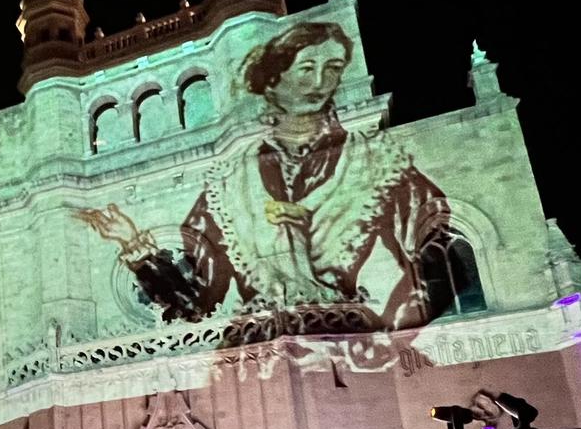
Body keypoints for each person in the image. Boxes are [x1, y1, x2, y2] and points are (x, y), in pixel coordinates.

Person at [75, 21, 455, 335]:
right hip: (258, 363)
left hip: (364, 355)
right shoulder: (227, 191)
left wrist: (386, 337)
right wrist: (134, 245)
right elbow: (193, 307)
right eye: (305, 69)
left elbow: (436, 270)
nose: (320, 82)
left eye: (334, 68)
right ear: (272, 82)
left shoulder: (385, 169)